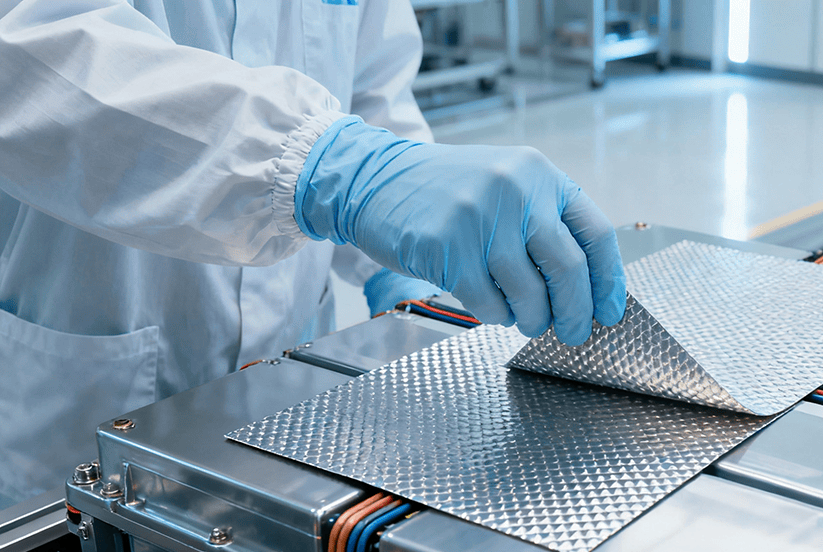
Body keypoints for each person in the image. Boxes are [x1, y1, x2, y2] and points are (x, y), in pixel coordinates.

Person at [0, 0, 627, 505]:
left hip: (291, 378)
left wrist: (406, 267)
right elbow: (27, 53)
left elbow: (374, 90)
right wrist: (337, 171)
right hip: (87, 377)